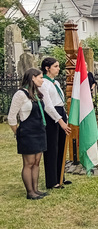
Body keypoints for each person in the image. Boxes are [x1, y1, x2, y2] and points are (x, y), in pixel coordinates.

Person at [8, 68, 48, 200]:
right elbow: (11, 117)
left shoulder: (36, 93)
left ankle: (36, 189)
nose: (42, 80)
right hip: (28, 132)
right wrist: (18, 133)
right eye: (40, 77)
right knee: (29, 163)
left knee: (37, 162)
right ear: (33, 78)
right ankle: (30, 191)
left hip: (39, 131)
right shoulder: (20, 95)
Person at [39, 57, 71, 189]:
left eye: (58, 66)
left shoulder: (56, 83)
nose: (58, 69)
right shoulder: (43, 83)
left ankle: (60, 176)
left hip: (60, 112)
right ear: (47, 68)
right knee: (52, 148)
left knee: (61, 146)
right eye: (56, 66)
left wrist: (65, 117)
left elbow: (59, 101)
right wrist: (60, 121)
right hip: (52, 116)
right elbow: (48, 106)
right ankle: (52, 181)